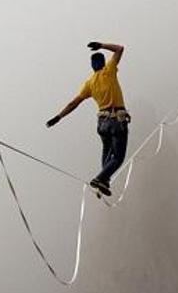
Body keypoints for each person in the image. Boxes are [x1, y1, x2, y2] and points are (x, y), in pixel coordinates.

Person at [46, 41, 129, 196]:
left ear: (92, 66)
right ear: (103, 63)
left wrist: (58, 117)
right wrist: (102, 45)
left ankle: (104, 182)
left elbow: (74, 103)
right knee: (117, 157)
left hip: (102, 123)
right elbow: (120, 49)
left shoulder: (89, 83)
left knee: (106, 151)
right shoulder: (109, 71)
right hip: (116, 120)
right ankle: (100, 178)